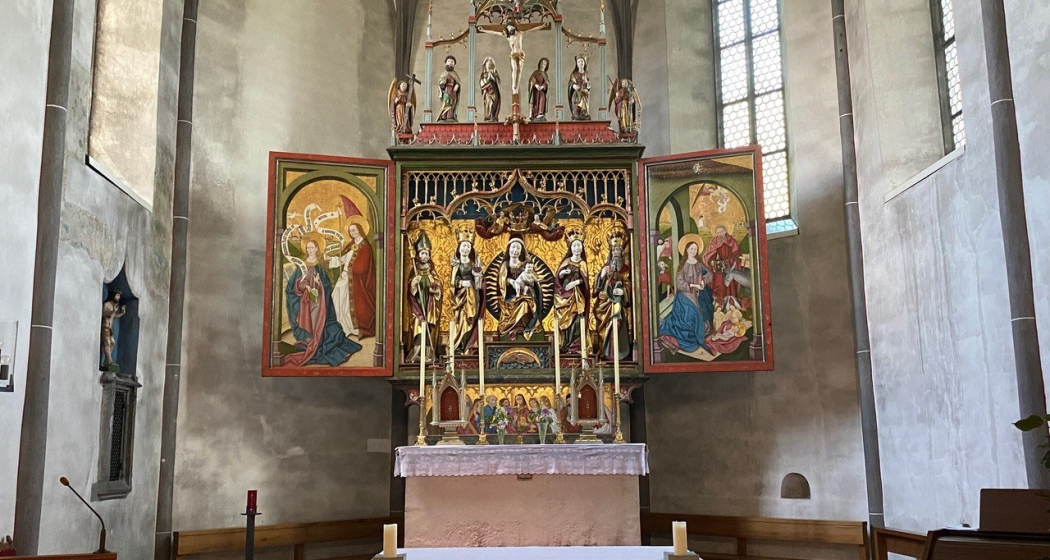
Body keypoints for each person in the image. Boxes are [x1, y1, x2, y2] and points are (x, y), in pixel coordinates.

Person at [285, 233, 362, 366]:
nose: (310, 250)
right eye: (308, 248)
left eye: (312, 248)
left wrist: (318, 283)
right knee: (309, 316)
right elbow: (294, 284)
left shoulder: (320, 265)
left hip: (320, 302)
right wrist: (306, 287)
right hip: (306, 301)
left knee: (319, 319)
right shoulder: (302, 265)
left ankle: (319, 339)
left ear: (317, 249)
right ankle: (312, 338)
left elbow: (327, 285)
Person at [658, 235, 715, 356]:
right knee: (690, 313)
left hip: (698, 294)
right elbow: (679, 281)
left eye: (695, 249)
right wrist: (693, 285)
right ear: (687, 250)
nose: (693, 251)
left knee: (705, 308)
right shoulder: (683, 265)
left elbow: (709, 274)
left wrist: (703, 281)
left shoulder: (699, 264)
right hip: (685, 295)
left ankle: (702, 332)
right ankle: (690, 335)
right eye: (691, 249)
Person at [331, 218, 376, 338]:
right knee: (337, 299)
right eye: (350, 231)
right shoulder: (352, 244)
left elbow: (361, 268)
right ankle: (341, 326)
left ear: (360, 230)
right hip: (345, 277)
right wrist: (336, 260)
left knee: (347, 303)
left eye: (354, 230)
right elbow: (345, 258)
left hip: (355, 281)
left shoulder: (365, 246)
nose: (352, 233)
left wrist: (348, 270)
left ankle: (351, 328)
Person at [592, 230, 631, 361]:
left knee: (617, 327)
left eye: (618, 250)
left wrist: (623, 291)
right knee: (606, 328)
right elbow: (596, 288)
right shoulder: (605, 267)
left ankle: (616, 353)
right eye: (613, 250)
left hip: (618, 304)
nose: (616, 253)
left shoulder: (625, 270)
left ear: (621, 253)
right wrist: (602, 275)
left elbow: (629, 285)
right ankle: (606, 351)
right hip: (604, 304)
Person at [405, 232, 442, 362]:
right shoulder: (414, 271)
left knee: (428, 328)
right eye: (422, 253)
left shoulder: (432, 270)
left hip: (429, 305)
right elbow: (409, 292)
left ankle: (429, 354)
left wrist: (435, 289)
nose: (425, 256)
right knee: (418, 326)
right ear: (418, 255)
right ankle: (416, 353)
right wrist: (413, 285)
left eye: (427, 253)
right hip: (417, 306)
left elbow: (438, 286)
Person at [497, 237, 541, 340]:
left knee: (525, 304)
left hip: (524, 294)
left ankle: (522, 327)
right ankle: (513, 328)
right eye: (513, 247)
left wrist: (529, 284)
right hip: (509, 296)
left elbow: (532, 280)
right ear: (509, 249)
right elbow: (500, 282)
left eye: (518, 248)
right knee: (517, 304)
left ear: (521, 251)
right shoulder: (505, 265)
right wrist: (509, 281)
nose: (515, 250)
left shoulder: (525, 265)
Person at [552, 231, 589, 352]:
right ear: (570, 248)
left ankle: (575, 346)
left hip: (577, 296)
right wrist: (562, 274)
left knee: (578, 320)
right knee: (564, 321)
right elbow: (557, 278)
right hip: (564, 296)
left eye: (579, 245)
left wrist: (576, 282)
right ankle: (565, 344)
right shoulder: (566, 261)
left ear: (582, 247)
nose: (577, 248)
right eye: (574, 246)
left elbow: (585, 281)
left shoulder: (582, 263)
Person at [449, 232, 484, 354]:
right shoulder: (456, 265)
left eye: (468, 246)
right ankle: (459, 346)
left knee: (471, 319)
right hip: (461, 297)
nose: (465, 249)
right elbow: (453, 281)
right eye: (463, 246)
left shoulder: (474, 264)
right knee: (462, 319)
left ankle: (468, 345)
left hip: (473, 297)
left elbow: (479, 285)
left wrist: (478, 277)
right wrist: (461, 283)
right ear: (459, 248)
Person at [703, 224, 742, 306]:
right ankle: (718, 303)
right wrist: (711, 261)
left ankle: (730, 303)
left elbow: (736, 252)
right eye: (717, 233)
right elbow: (707, 255)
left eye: (721, 232)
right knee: (718, 284)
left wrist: (737, 256)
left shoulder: (732, 241)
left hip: (728, 266)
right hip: (717, 269)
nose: (719, 234)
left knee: (729, 285)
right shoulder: (714, 242)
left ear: (725, 231)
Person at [100, 289, 127, 370]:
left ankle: (106, 360)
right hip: (105, 326)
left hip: (110, 328)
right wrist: (113, 311)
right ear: (113, 296)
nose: (119, 298)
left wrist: (122, 313)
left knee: (112, 343)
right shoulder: (107, 304)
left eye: (119, 296)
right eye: (117, 295)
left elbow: (114, 317)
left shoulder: (114, 307)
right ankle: (109, 361)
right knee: (107, 343)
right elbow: (104, 313)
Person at [438, 55, 461, 122]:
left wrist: (457, 85)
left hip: (453, 91)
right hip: (446, 90)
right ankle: (443, 115)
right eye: (449, 61)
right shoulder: (443, 74)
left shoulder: (455, 74)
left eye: (452, 61)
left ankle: (450, 116)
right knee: (446, 102)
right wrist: (442, 83)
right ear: (446, 63)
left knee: (452, 103)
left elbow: (458, 81)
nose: (450, 63)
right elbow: (440, 84)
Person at [568, 55, 591, 120]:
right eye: (579, 62)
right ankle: (577, 114)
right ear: (577, 64)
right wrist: (574, 85)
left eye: (582, 62)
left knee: (584, 103)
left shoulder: (585, 74)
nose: (580, 63)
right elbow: (571, 82)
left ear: (584, 63)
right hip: (576, 93)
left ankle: (584, 113)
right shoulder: (574, 74)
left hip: (584, 93)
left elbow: (588, 84)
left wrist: (587, 82)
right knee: (576, 105)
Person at [479, 57, 501, 122]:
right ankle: (489, 117)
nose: (489, 65)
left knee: (495, 102)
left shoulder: (495, 74)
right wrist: (487, 84)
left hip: (495, 91)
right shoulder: (483, 75)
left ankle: (494, 117)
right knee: (489, 103)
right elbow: (481, 83)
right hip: (488, 93)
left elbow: (498, 82)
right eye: (488, 64)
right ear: (485, 65)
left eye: (490, 64)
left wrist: (494, 76)